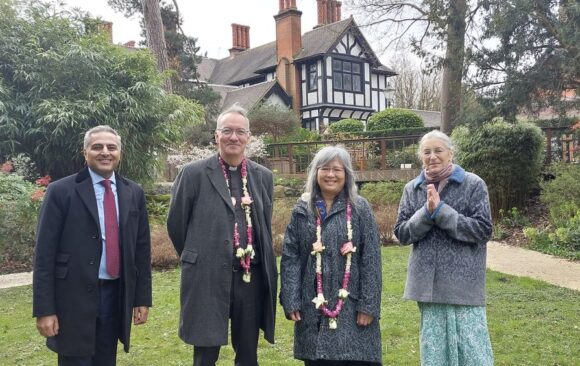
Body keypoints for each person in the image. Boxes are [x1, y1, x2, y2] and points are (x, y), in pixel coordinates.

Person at [167, 104, 277, 366]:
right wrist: (200, 253)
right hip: (206, 275)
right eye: (227, 131)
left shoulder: (262, 176)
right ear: (216, 136)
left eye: (240, 131)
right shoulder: (193, 174)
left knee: (248, 354)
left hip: (249, 277)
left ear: (249, 137)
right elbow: (176, 225)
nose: (234, 137)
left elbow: (264, 223)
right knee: (205, 354)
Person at [33, 125, 152, 366]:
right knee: (75, 360)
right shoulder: (61, 191)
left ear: (120, 152)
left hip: (115, 294)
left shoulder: (133, 193)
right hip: (72, 297)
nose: (105, 152)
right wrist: (45, 309)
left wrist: (141, 298)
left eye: (111, 147)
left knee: (106, 359)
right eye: (97, 147)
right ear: (84, 152)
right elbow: (44, 254)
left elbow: (141, 251)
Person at [394, 130, 494, 366]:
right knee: (435, 353)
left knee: (472, 351)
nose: (432, 156)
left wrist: (442, 212)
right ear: (421, 156)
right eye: (426, 152)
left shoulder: (473, 184)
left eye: (438, 150)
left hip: (463, 284)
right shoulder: (412, 188)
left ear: (451, 153)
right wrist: (427, 214)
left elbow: (482, 230)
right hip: (427, 286)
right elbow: (402, 233)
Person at [280, 145, 382, 366]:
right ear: (315, 172)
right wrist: (291, 299)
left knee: (353, 357)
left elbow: (371, 258)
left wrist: (369, 305)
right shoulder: (302, 210)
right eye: (325, 168)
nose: (330, 175)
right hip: (312, 306)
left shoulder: (359, 208)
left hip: (353, 308)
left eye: (337, 169)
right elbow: (291, 258)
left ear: (347, 174)